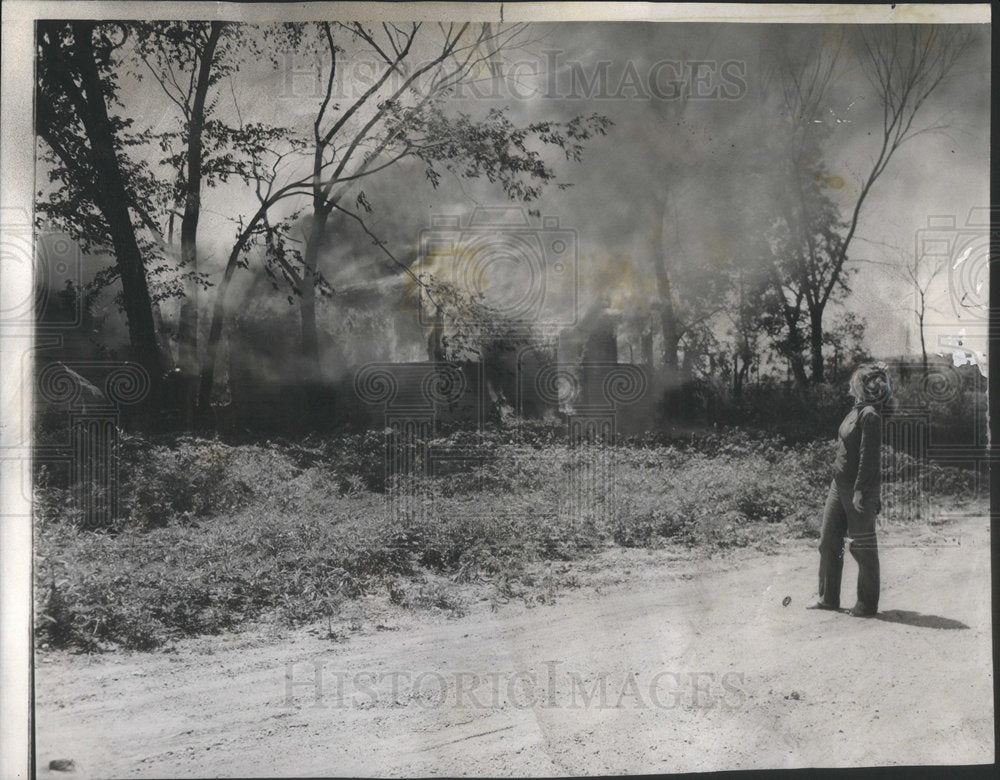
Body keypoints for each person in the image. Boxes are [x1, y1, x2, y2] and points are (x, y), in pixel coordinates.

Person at [809, 363, 891, 617]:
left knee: (862, 547)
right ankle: (828, 598)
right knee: (828, 541)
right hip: (839, 486)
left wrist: (861, 491)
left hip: (859, 489)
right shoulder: (855, 411)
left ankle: (866, 604)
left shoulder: (870, 415)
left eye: (855, 381)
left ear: (863, 387)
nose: (851, 384)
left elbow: (869, 458)